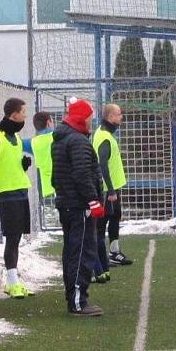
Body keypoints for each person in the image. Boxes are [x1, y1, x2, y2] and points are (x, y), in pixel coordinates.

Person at [51, 98, 104, 317]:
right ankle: (78, 301)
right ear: (83, 117)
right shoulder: (78, 141)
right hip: (78, 206)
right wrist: (93, 200)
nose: (92, 120)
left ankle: (76, 297)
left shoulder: (62, 139)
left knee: (73, 251)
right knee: (82, 252)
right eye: (90, 116)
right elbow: (82, 173)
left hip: (68, 203)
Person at [0, 98, 34, 299]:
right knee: (12, 238)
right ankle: (12, 283)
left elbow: (9, 162)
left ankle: (14, 281)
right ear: (13, 114)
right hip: (5, 193)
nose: (25, 116)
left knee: (17, 237)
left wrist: (23, 165)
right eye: (23, 112)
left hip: (21, 190)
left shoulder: (17, 138)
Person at [93, 103, 133, 273]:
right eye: (118, 114)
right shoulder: (104, 136)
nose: (121, 117)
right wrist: (109, 190)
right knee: (103, 222)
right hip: (107, 189)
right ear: (110, 117)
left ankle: (114, 251)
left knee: (115, 216)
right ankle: (101, 257)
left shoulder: (106, 134)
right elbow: (102, 164)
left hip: (114, 186)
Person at [30, 111, 55, 199]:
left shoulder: (33, 142)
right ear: (48, 123)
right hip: (63, 184)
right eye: (52, 121)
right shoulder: (57, 137)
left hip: (47, 189)